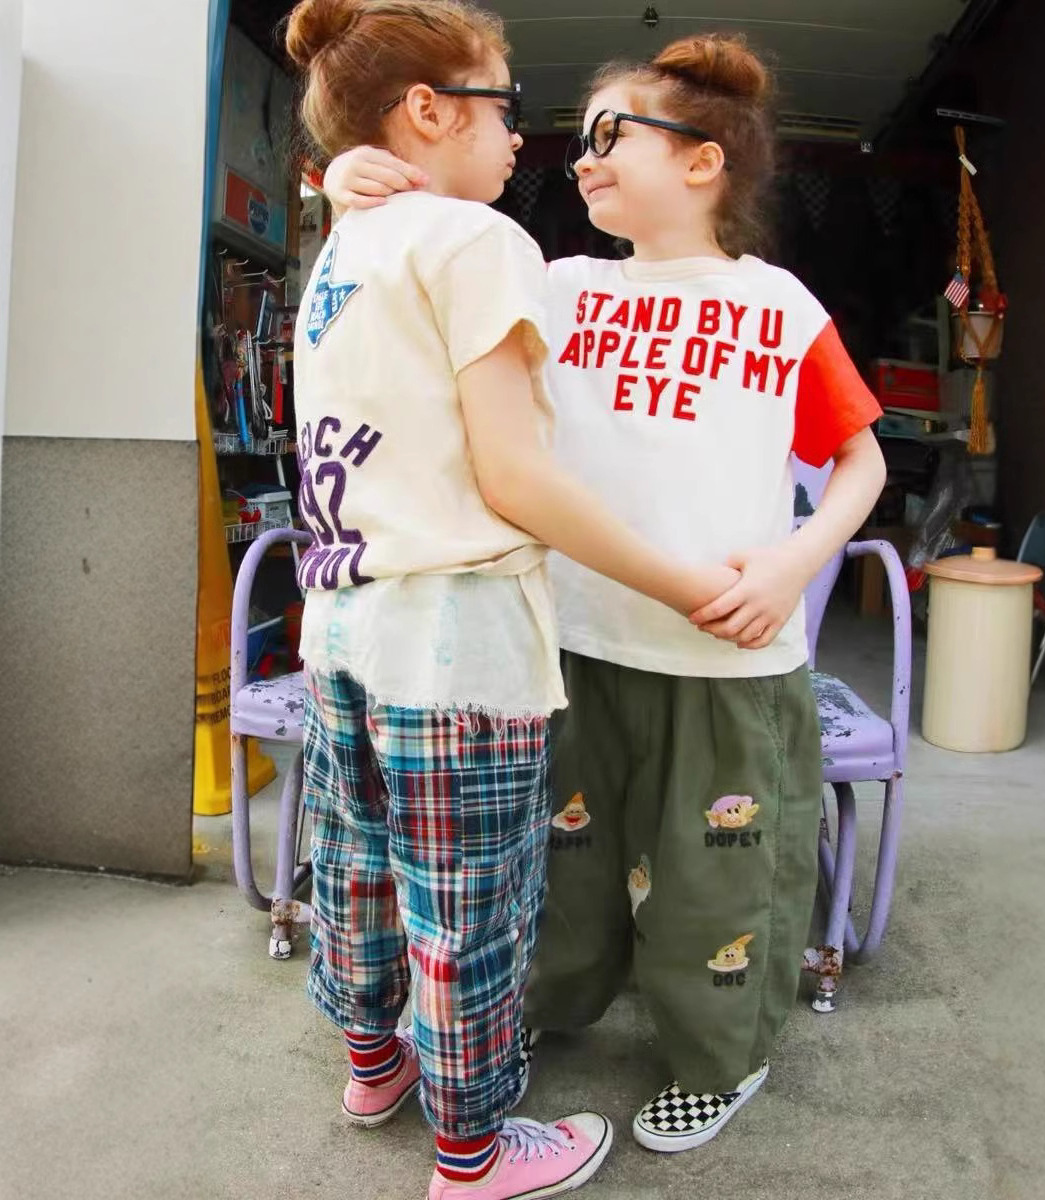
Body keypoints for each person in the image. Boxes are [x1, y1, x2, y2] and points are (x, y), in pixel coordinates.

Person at [324, 31, 886, 1154]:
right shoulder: (558, 282)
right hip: (570, 644)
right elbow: (428, 262)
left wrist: (794, 562)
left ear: (704, 161)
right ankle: (541, 1013)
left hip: (726, 656)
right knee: (561, 869)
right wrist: (346, 183)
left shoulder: (779, 303)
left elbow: (861, 459)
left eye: (610, 137)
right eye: (580, 141)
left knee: (714, 882)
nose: (579, 159)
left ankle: (721, 1056)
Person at [283, 4, 737, 1196]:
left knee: (358, 869)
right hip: (454, 638)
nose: (522, 139)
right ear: (429, 111)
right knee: (468, 907)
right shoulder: (477, 240)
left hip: (341, 621)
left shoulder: (345, 244)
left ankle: (373, 1065)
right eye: (507, 107)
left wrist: (337, 185)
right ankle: (473, 1155)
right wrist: (683, 580)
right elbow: (514, 478)